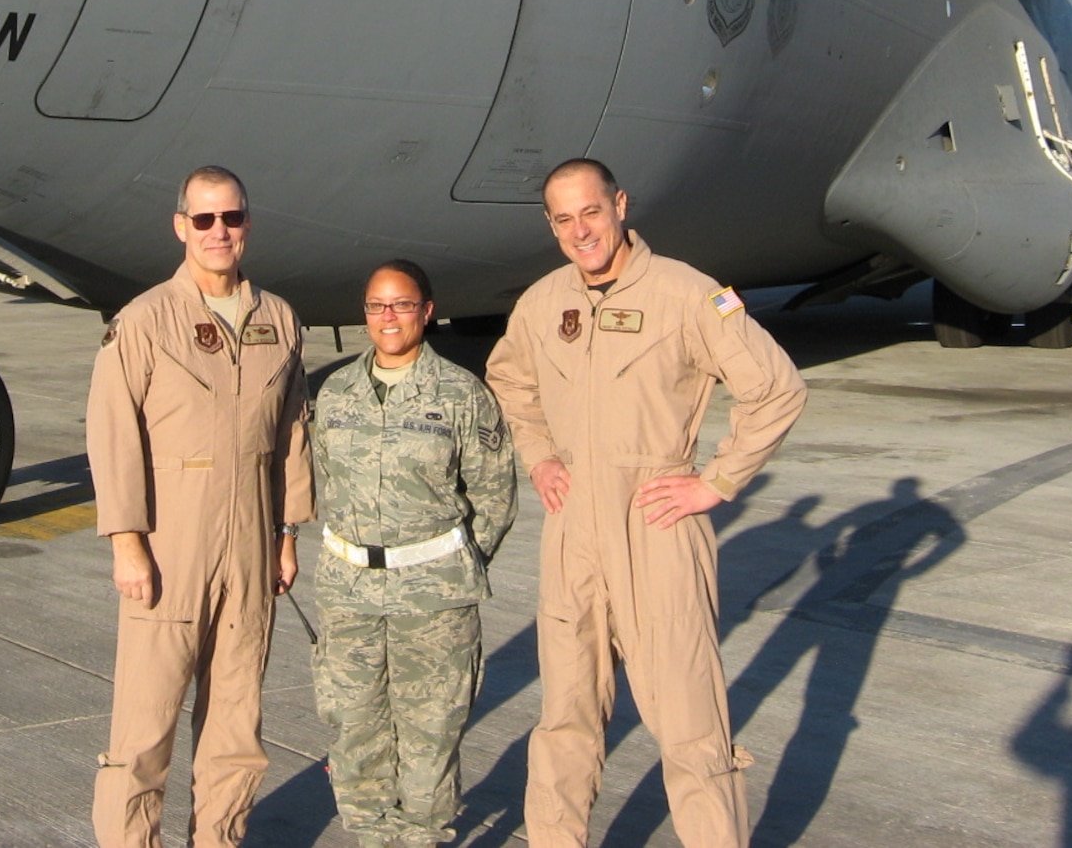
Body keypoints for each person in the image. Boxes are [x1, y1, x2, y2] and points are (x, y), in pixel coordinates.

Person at [484, 158, 808, 848]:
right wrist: (539, 455)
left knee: (690, 722)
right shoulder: (543, 302)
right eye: (564, 219)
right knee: (565, 719)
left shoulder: (690, 295)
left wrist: (716, 482)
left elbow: (776, 389)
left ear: (621, 205)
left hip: (657, 525)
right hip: (573, 534)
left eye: (591, 212)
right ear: (550, 224)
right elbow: (508, 379)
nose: (580, 230)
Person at [85, 166, 313, 848]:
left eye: (233, 218)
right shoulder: (146, 320)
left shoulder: (279, 320)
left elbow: (291, 431)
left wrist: (286, 534)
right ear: (182, 226)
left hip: (250, 545)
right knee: (144, 730)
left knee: (237, 729)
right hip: (169, 545)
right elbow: (112, 432)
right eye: (206, 220)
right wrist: (127, 541)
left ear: (248, 223)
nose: (221, 232)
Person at [311, 260, 517, 848]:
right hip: (349, 597)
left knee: (428, 739)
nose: (389, 317)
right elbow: (325, 476)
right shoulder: (336, 392)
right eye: (377, 305)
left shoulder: (459, 393)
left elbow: (494, 496)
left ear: (427, 311)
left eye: (402, 304)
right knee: (354, 733)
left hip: (432, 602)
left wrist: (446, 566)